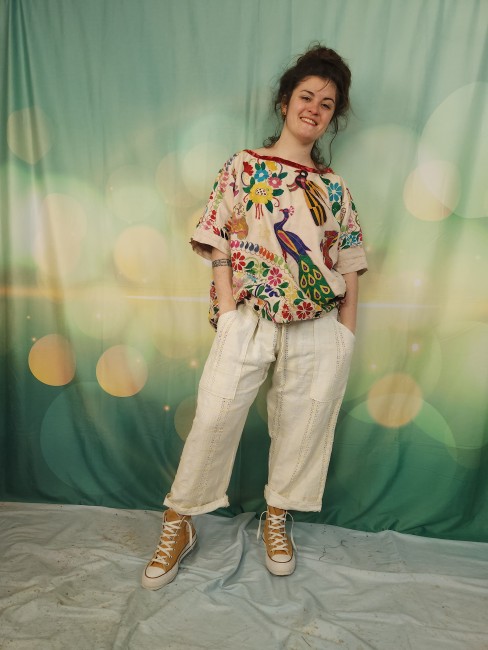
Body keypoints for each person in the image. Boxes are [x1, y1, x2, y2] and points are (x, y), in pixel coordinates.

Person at [142, 44, 367, 590]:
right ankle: (179, 520)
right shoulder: (244, 166)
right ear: (285, 101)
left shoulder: (334, 187)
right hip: (250, 314)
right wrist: (226, 307)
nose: (314, 109)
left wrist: (346, 332)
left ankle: (277, 516)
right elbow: (218, 233)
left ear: (333, 117)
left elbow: (350, 260)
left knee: (303, 423)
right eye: (307, 96)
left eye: (327, 103)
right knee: (215, 416)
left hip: (318, 323)